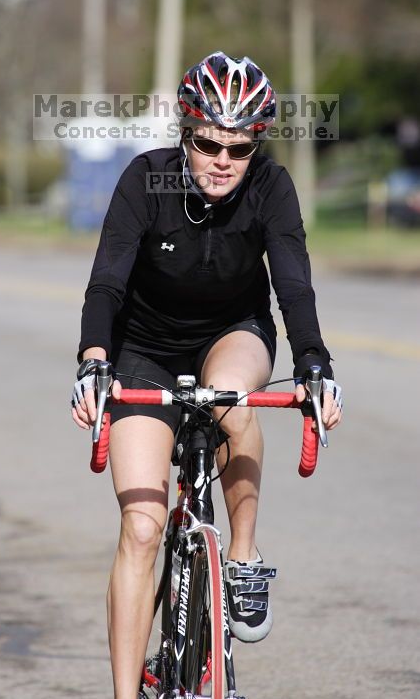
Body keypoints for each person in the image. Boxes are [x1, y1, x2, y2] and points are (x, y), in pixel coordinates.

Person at [71, 51, 342, 699]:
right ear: (185, 132)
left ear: (256, 146)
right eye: (207, 142)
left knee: (232, 401)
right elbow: (107, 281)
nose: (222, 159)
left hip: (232, 335)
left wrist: (313, 364)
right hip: (143, 349)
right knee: (140, 526)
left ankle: (242, 558)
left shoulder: (271, 187)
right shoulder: (144, 179)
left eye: (239, 147)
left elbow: (293, 284)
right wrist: (93, 360)